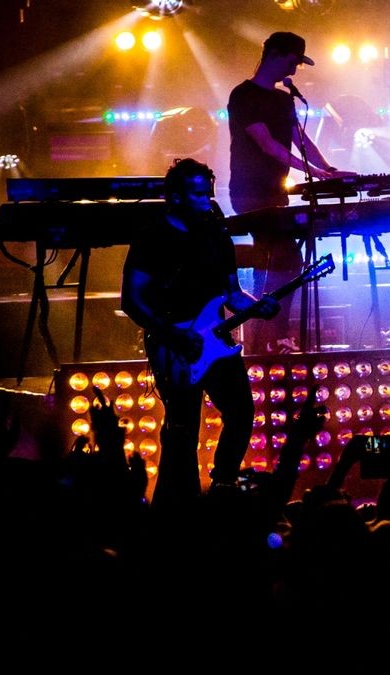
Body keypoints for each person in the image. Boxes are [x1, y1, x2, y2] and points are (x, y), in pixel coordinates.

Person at [121, 158, 281, 509]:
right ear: (175, 197)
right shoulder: (154, 238)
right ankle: (181, 504)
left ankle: (223, 483)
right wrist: (172, 335)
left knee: (241, 412)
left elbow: (233, 294)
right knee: (183, 427)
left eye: (207, 193)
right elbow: (132, 300)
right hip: (174, 344)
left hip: (216, 345)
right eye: (196, 194)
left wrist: (259, 305)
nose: (206, 200)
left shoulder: (216, 237)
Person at [228, 31, 353, 354]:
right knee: (280, 259)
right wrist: (313, 173)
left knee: (282, 260)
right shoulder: (243, 96)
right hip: (249, 191)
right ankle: (266, 339)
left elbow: (299, 139)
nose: (295, 69)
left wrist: (328, 169)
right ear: (275, 54)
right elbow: (267, 144)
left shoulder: (284, 100)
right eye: (293, 61)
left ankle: (269, 337)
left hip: (274, 193)